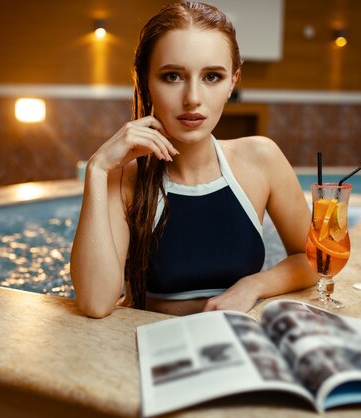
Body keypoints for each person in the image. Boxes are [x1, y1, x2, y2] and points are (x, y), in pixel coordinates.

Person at [70, 1, 317, 318]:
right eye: (172, 76)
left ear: (233, 82)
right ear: (145, 80)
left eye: (212, 77)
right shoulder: (125, 177)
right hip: (151, 348)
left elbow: (313, 258)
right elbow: (95, 302)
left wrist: (252, 286)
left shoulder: (262, 159)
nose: (193, 98)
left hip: (236, 343)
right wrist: (98, 168)